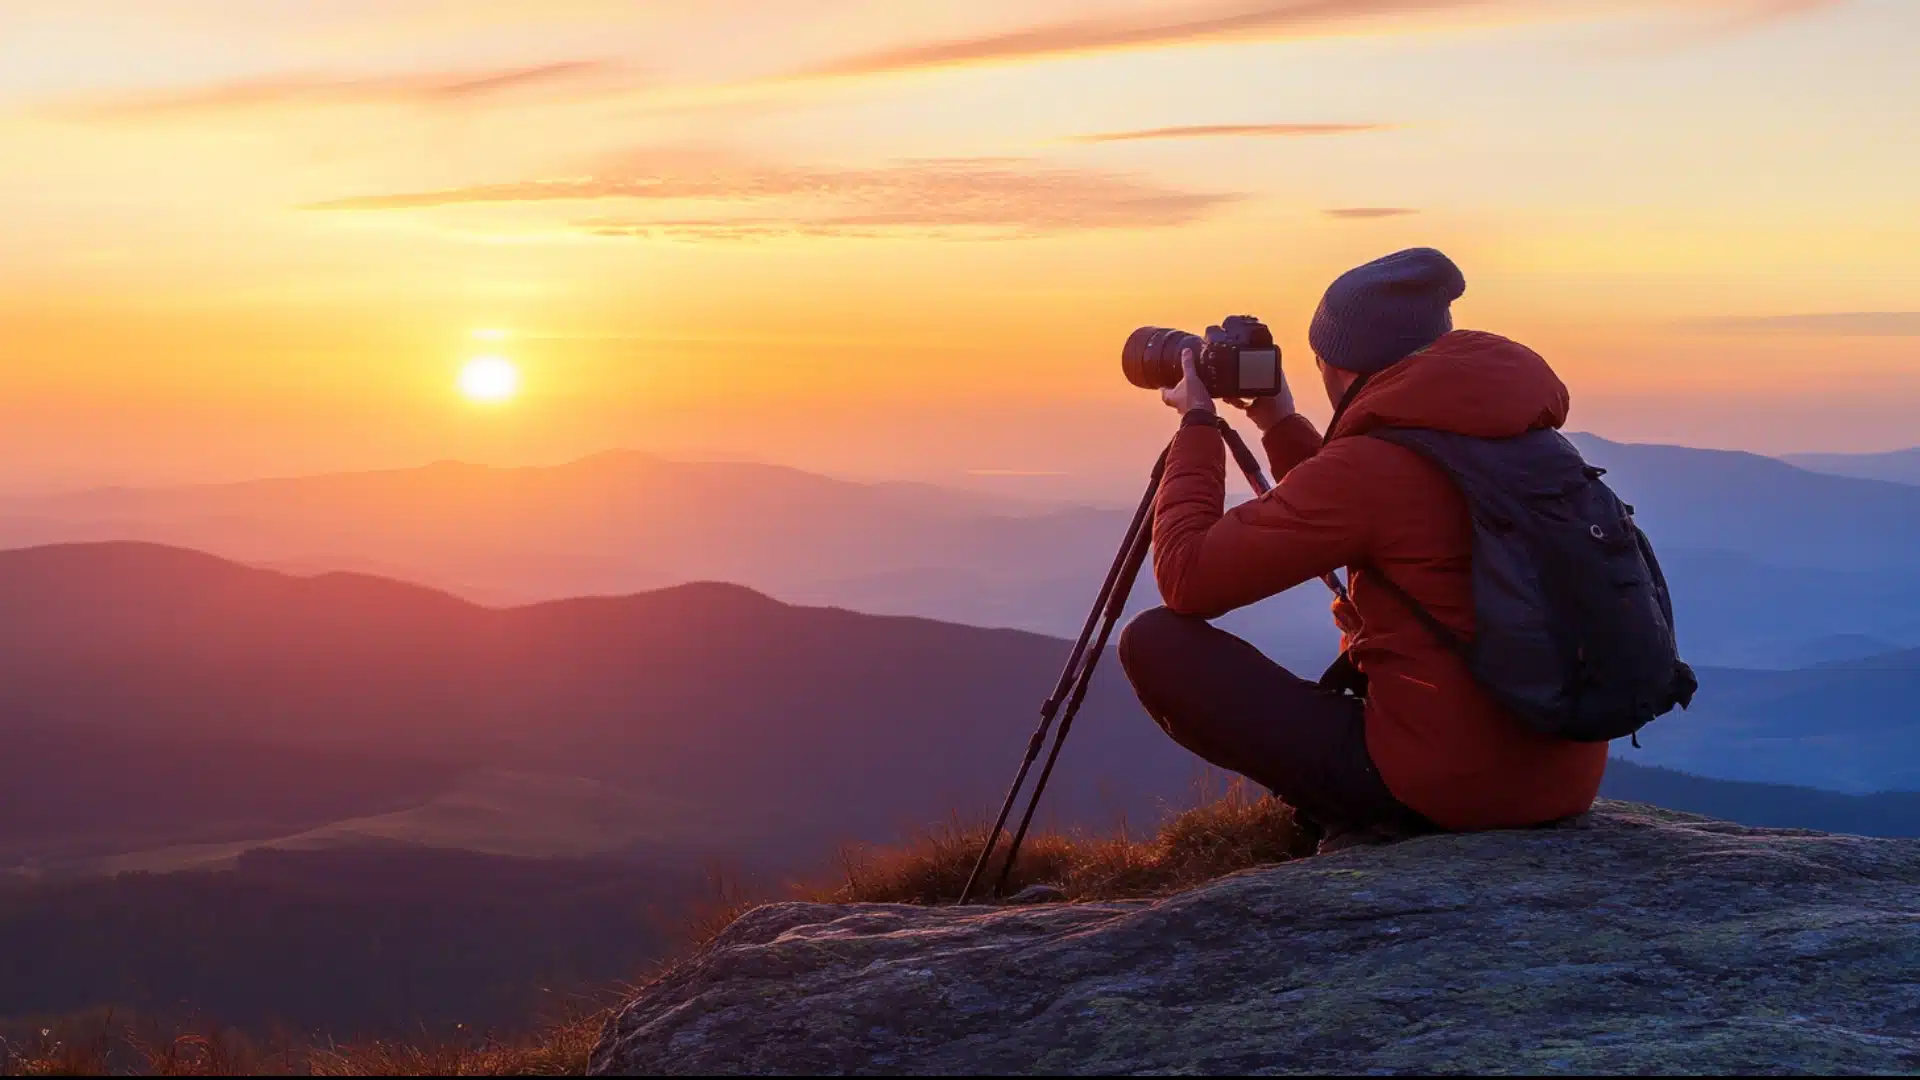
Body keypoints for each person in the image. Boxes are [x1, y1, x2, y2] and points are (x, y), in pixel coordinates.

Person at [1117, 247, 1605, 850]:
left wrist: (1196, 426)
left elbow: (1187, 579)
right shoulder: (1517, 439)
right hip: (1562, 775)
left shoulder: (1378, 465)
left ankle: (1367, 821)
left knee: (1156, 642)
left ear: (1343, 365)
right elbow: (1362, 512)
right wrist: (1280, 423)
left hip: (1452, 790)